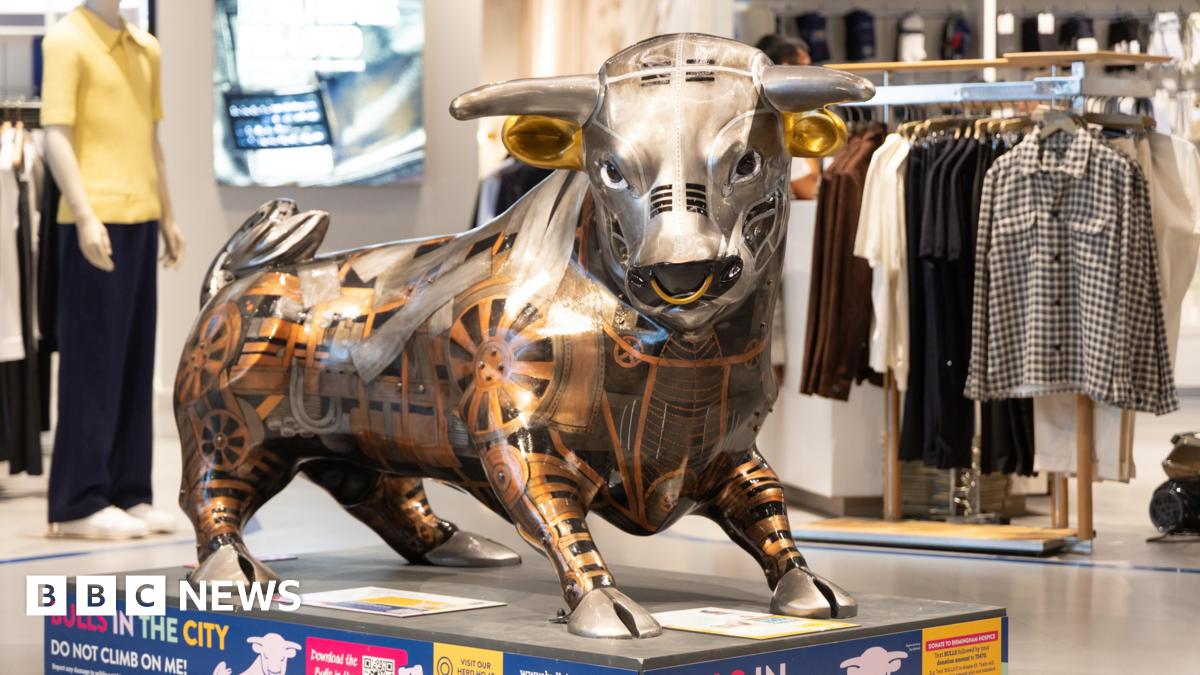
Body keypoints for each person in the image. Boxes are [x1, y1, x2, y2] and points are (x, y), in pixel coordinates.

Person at [755, 34, 821, 200]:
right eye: (804, 68)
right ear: (785, 68)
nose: (810, 76)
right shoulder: (778, 124)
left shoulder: (779, 117)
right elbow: (809, 190)